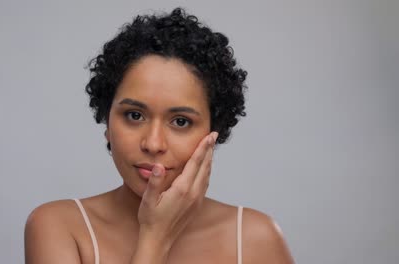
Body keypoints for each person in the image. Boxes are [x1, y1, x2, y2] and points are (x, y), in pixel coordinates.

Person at [24, 7, 294, 264]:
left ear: (214, 132)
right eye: (134, 115)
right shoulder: (59, 227)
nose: (153, 144)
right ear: (107, 119)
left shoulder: (255, 238)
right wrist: (155, 237)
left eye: (180, 121)